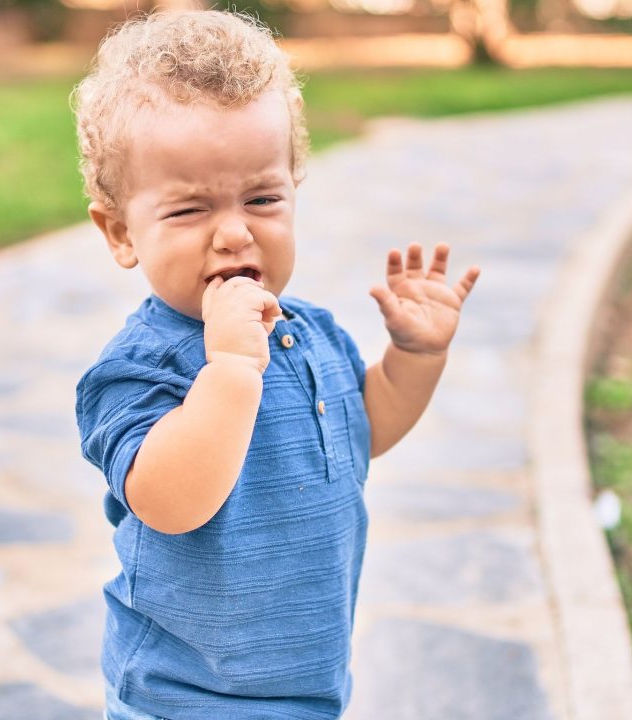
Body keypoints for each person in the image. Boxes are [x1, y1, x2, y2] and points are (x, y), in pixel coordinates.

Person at [73, 10, 479, 719]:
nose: (234, 232)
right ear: (120, 231)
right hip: (186, 697)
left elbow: (367, 428)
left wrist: (416, 356)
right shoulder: (138, 368)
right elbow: (170, 503)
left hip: (308, 688)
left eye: (262, 199)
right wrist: (230, 367)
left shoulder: (310, 334)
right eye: (189, 210)